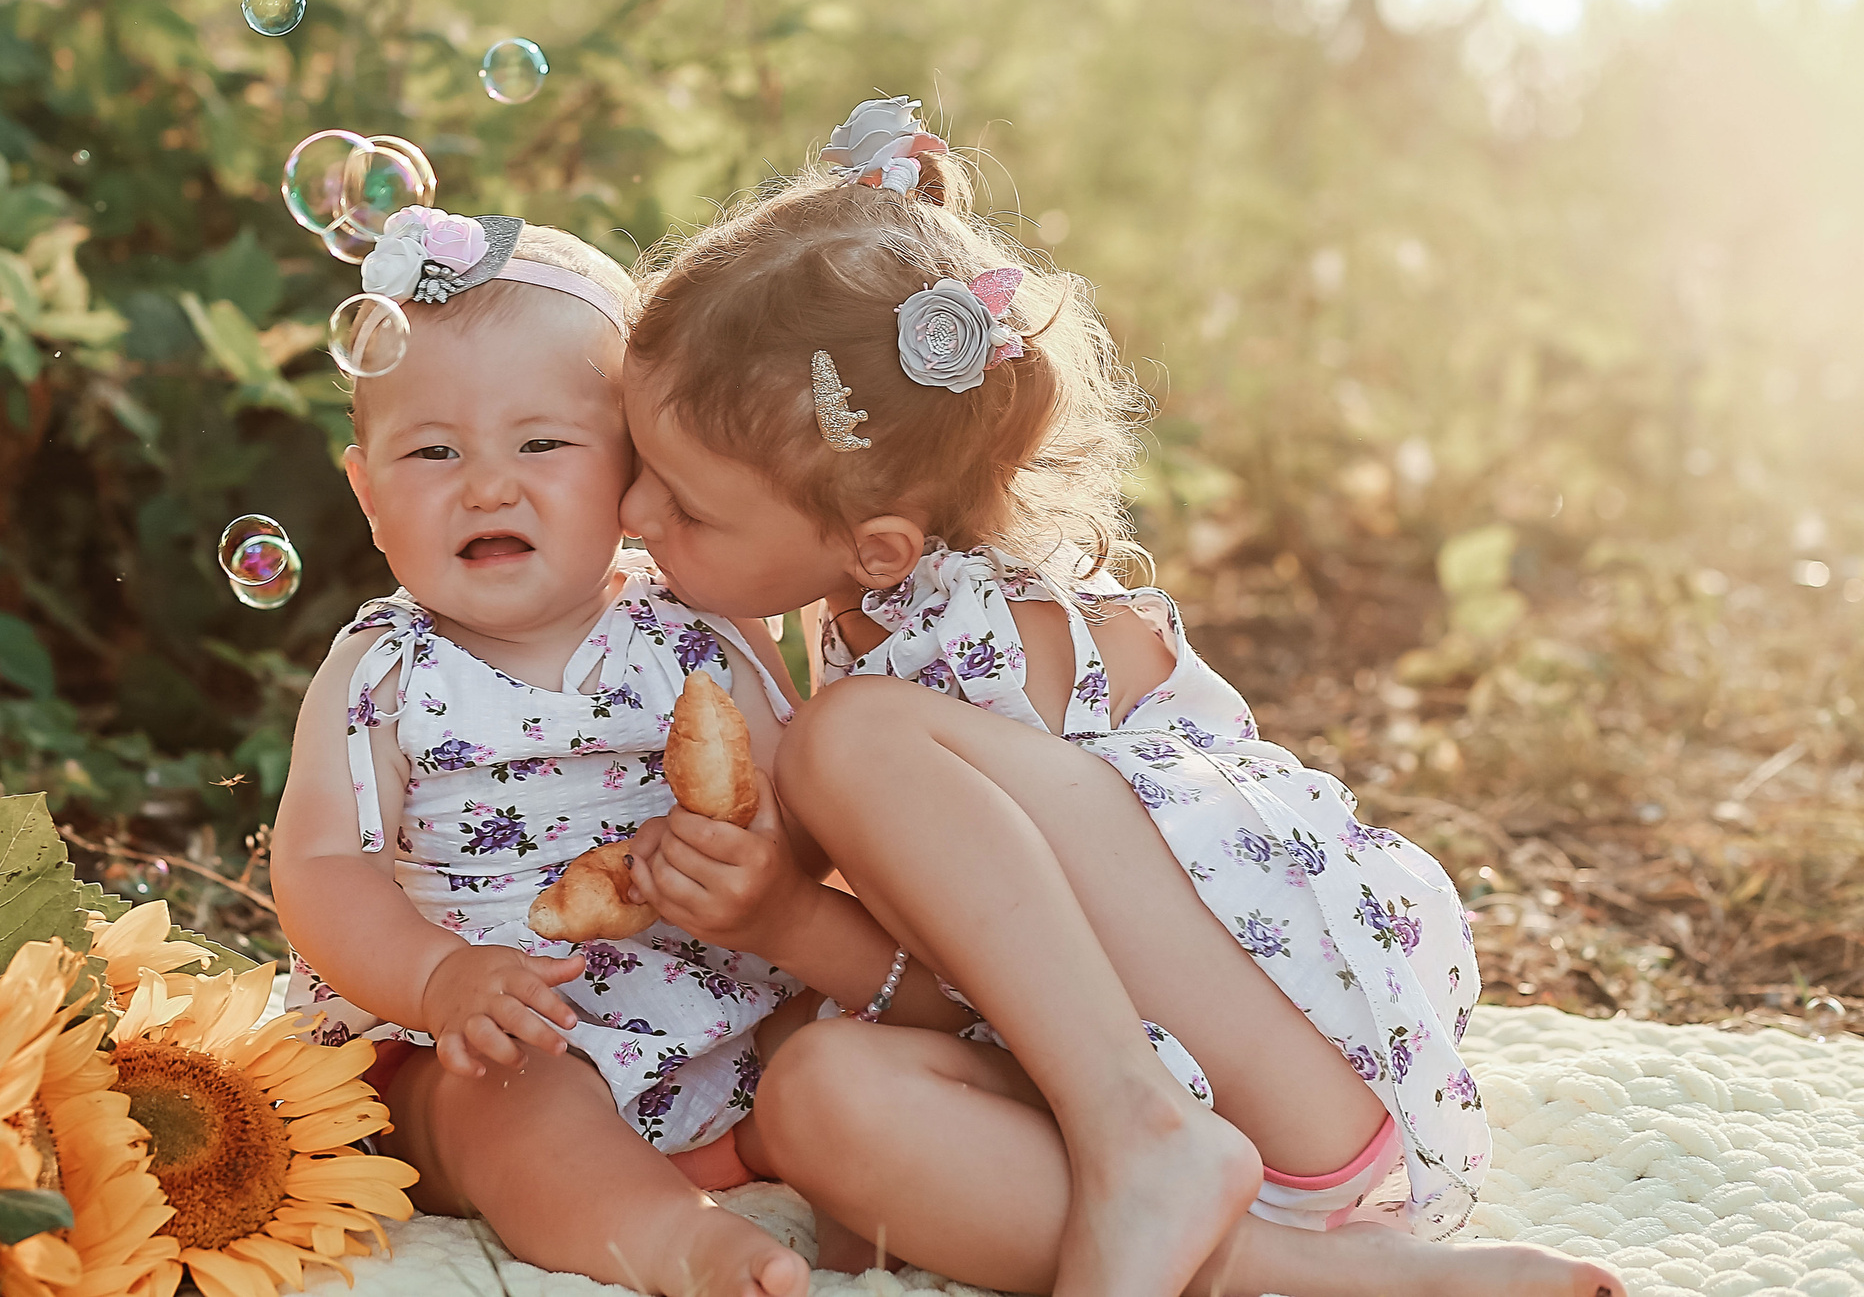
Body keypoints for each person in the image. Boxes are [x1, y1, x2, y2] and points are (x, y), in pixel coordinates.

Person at [613, 98, 1628, 1297]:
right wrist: (782, 921)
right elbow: (974, 989)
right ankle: (1337, 1279)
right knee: (820, 1099)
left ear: (879, 545)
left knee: (846, 741)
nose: (635, 516)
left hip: (1286, 1074)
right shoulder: (876, 628)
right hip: (1220, 1124)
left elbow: (1014, 955)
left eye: (685, 503)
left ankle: (1139, 1139)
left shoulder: (983, 645)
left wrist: (801, 854)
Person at [270, 207, 955, 1297]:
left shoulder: (695, 635)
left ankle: (825, 1174)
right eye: (433, 451)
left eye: (542, 444)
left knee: (829, 1049)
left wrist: (761, 868)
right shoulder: (384, 672)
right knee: (500, 1100)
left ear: (636, 476)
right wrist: (440, 977)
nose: (488, 485)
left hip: (715, 1006)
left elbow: (795, 809)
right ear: (365, 493)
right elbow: (319, 868)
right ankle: (673, 1239)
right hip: (487, 1027)